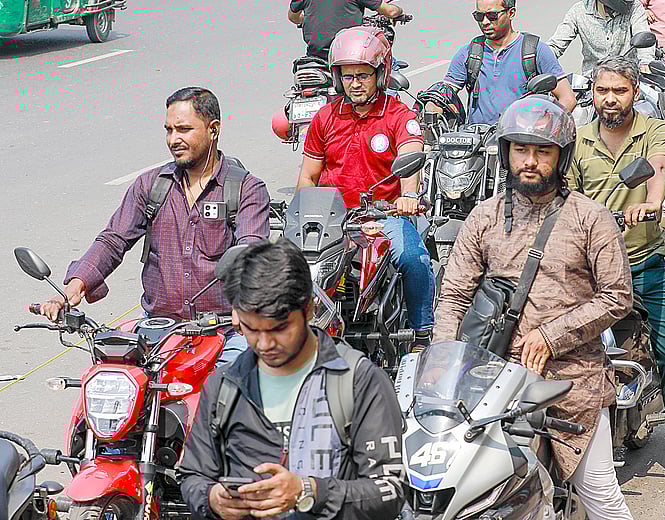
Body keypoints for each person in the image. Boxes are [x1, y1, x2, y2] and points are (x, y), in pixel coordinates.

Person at [435, 96, 636, 520]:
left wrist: (551, 335)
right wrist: (442, 361)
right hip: (491, 380)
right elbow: (453, 295)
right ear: (506, 153)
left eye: (542, 151)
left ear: (560, 157)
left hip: (571, 379)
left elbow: (617, 295)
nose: (529, 161)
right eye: (520, 150)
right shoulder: (484, 217)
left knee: (599, 493)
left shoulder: (591, 217)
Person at [178, 239, 406, 520]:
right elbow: (193, 475)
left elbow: (390, 492)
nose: (264, 344)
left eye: (278, 329)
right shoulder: (224, 385)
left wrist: (308, 492)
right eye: (252, 330)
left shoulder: (358, 381)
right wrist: (212, 499)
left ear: (309, 310)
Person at [41, 87, 269, 367]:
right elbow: (113, 240)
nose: (174, 139)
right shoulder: (151, 185)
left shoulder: (246, 189)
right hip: (158, 332)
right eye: (169, 130)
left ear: (213, 129)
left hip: (226, 333)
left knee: (226, 399)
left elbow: (251, 251)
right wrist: (75, 287)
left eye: (184, 129)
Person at [566, 58, 665, 494]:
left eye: (620, 91)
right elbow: (568, 193)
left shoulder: (654, 130)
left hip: (644, 260)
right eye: (602, 91)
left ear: (635, 92)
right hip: (590, 268)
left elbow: (660, 168)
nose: (610, 99)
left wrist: (650, 204)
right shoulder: (576, 139)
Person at [297, 26, 435, 346]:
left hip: (384, 217)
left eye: (363, 75)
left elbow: (411, 157)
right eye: (348, 76)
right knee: (292, 268)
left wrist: (409, 196)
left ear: (381, 74)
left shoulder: (399, 115)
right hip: (334, 220)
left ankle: (422, 331)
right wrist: (304, 212)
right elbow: (308, 176)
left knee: (413, 259)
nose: (355, 83)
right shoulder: (325, 117)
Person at [441, 0, 575, 124]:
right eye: (479, 16)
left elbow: (568, 99)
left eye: (492, 15)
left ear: (511, 13)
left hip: (519, 139)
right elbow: (445, 93)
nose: (485, 22)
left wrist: (544, 127)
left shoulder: (535, 51)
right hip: (479, 141)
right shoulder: (469, 53)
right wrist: (432, 108)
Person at [550, 0, 655, 75]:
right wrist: (537, 61)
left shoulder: (634, 7)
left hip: (627, 79)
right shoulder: (579, 11)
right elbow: (556, 45)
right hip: (592, 82)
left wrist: (645, 63)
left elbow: (642, 34)